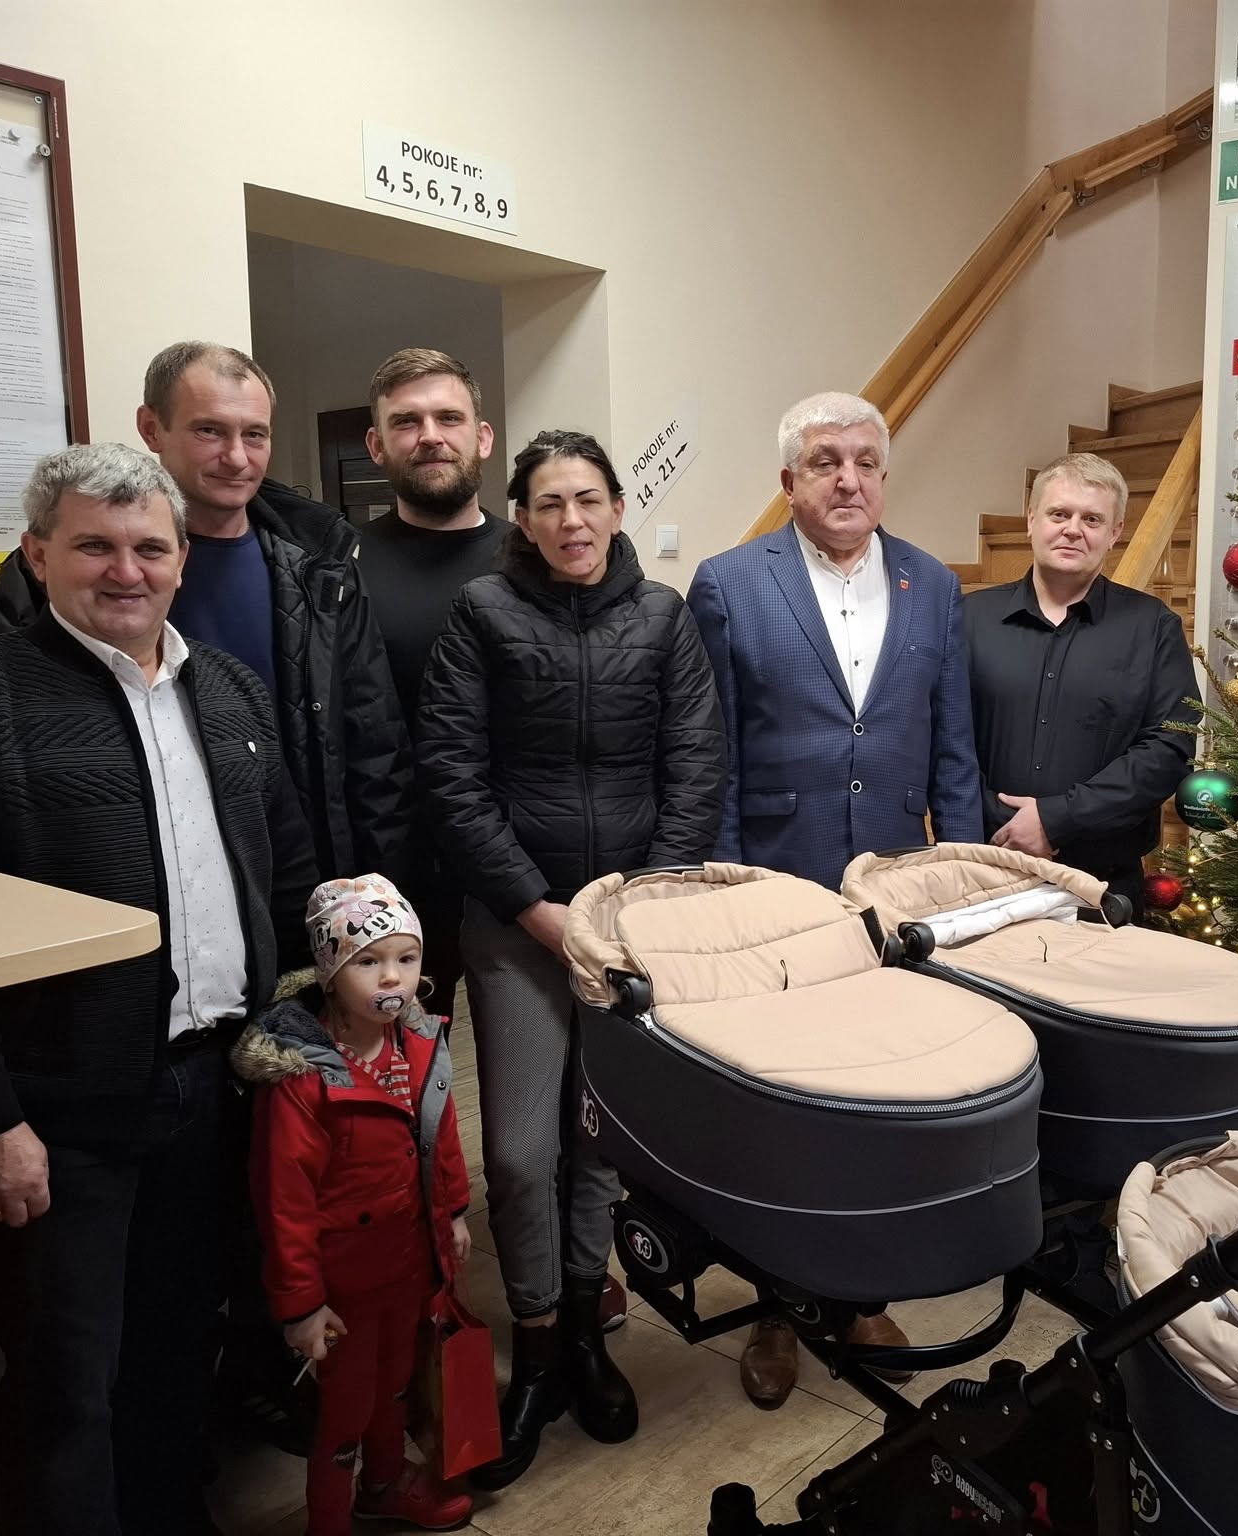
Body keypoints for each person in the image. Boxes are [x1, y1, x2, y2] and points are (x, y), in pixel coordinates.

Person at [0, 443, 315, 1536]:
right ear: (37, 555)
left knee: (176, 1348)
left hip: (214, 1085)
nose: (126, 571)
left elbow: (286, 868)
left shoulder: (230, 691)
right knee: (66, 1383)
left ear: (180, 560)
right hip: (59, 1114)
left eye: (149, 547)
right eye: (93, 547)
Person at [416, 429, 725, 1486]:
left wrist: (642, 906)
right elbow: (450, 775)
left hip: (628, 928)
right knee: (516, 1153)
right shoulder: (482, 612)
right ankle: (538, 1339)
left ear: (617, 509)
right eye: (548, 503)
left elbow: (696, 763)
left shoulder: (663, 616)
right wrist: (538, 911)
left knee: (597, 1145)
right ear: (523, 517)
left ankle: (587, 1332)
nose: (572, 521)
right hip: (516, 926)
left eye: (588, 499)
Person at [0, 341, 413, 885]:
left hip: (288, 865)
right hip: (127, 863)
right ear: (151, 428)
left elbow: (374, 743)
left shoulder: (321, 568)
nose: (236, 457)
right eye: (209, 430)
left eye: (254, 434)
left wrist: (382, 894)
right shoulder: (73, 567)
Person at [684, 390, 982, 1409]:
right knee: (777, 1104)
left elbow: (951, 746)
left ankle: (861, 1294)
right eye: (824, 462)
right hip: (775, 885)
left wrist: (963, 880)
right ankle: (774, 1301)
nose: (847, 479)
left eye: (863, 461)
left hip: (892, 890)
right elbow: (713, 753)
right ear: (789, 481)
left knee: (881, 1095)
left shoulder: (932, 583)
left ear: (883, 476)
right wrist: (724, 892)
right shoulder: (729, 583)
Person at [235, 875, 474, 1536]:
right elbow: (283, 1203)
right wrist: (301, 1305)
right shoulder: (302, 1079)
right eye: (369, 962)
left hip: (409, 1262)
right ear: (330, 973)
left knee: (396, 1383)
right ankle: (330, 1521)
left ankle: (384, 1484)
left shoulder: (420, 1045)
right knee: (345, 1410)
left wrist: (454, 1211)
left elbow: (442, 1136)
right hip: (343, 1286)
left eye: (407, 958)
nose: (392, 977)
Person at [962, 452, 1198, 910]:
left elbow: (1169, 750)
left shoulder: (1153, 628)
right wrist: (1003, 821)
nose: (1073, 529)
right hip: (980, 870)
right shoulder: (968, 619)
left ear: (1115, 533)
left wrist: (1055, 820)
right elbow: (941, 738)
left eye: (1092, 519)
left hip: (1103, 885)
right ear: (1031, 521)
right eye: (1059, 514)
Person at [355, 347, 507, 1022]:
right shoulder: (338, 569)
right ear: (376, 445)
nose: (430, 436)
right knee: (406, 1054)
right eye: (406, 421)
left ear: (482, 436)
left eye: (449, 418)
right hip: (395, 863)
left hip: (524, 852)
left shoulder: (534, 560)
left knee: (536, 1052)